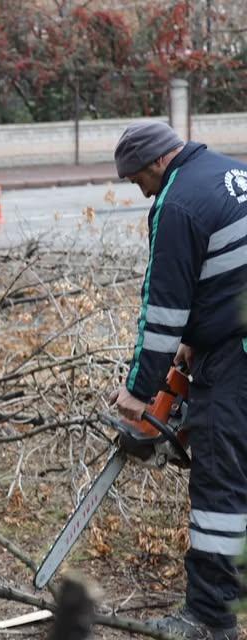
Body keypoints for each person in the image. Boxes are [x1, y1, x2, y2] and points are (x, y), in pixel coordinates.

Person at [110, 120, 247, 640]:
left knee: (219, 484)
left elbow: (163, 309)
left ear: (154, 164)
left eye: (136, 180)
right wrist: (201, 335)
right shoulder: (233, 172)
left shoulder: (176, 203)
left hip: (238, 359)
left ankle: (211, 620)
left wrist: (140, 391)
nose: (140, 190)